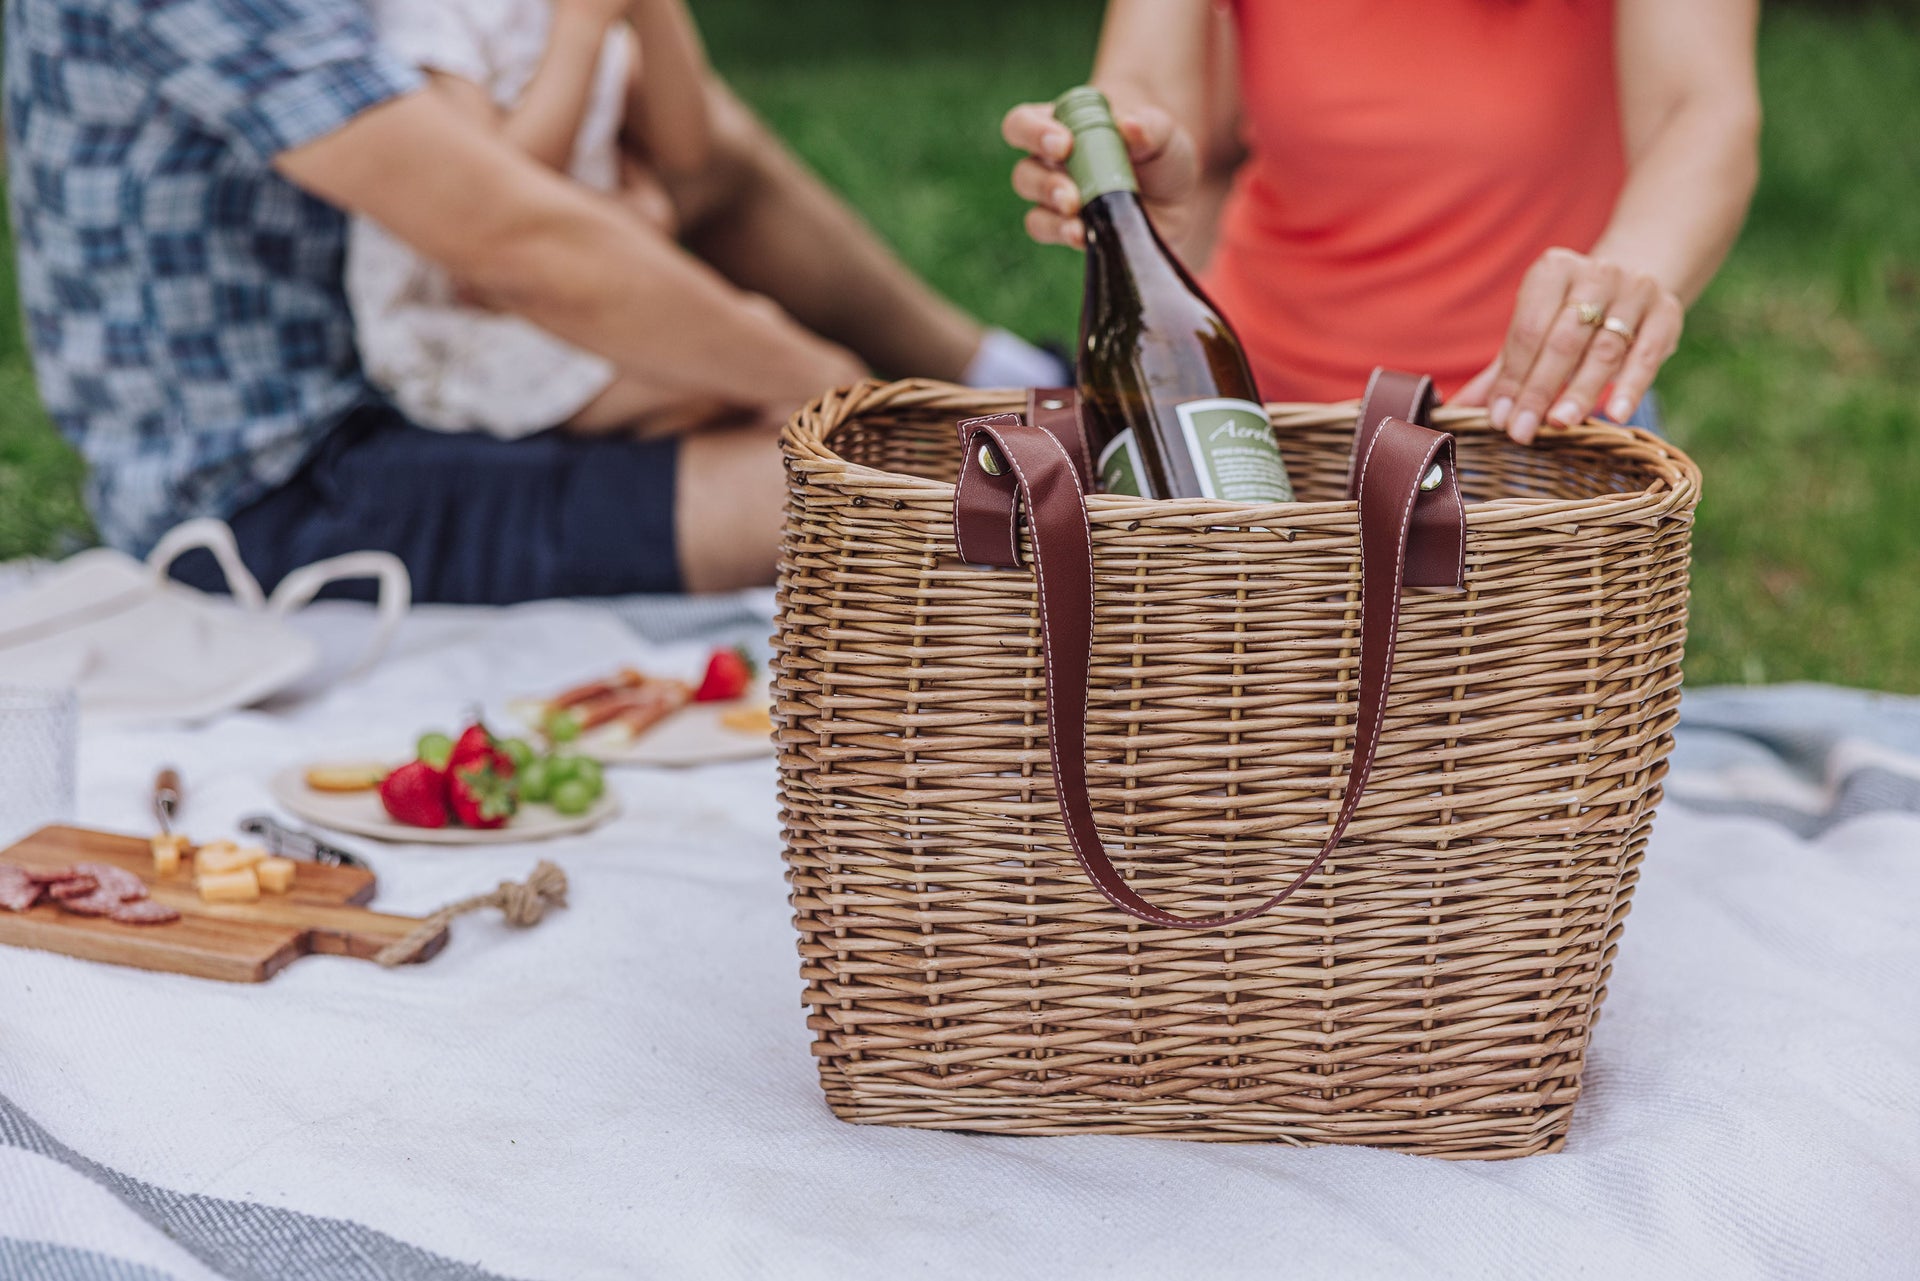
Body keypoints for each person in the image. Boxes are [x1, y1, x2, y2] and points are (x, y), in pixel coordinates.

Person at [4, 0, 1061, 603]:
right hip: (279, 481)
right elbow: (508, 241)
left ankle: (1023, 380)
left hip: (445, 345)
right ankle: (1013, 449)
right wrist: (852, 402)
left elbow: (698, 157)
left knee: (810, 387)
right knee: (854, 489)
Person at [1002, 0, 1761, 442]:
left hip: (1521, 421)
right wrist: (1125, 144)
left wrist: (1626, 271)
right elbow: (1145, 80)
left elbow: (1701, 110)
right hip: (1250, 413)